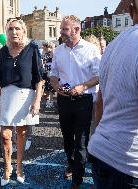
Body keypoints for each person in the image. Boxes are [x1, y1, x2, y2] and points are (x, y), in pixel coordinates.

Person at [0, 18, 45, 186]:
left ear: (24, 31)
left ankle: (19, 167)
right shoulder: (3, 51)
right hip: (6, 94)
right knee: (5, 135)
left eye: (17, 29)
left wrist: (37, 101)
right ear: (7, 32)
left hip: (25, 96)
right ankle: (7, 167)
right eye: (11, 29)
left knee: (21, 134)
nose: (14, 32)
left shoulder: (32, 49)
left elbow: (39, 78)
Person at [88, 0, 138, 188]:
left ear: (131, 10)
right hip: (129, 163)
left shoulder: (114, 44)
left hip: (104, 153)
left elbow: (101, 101)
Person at [50, 15, 101, 189]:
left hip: (83, 100)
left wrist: (82, 87)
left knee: (81, 141)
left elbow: (98, 76)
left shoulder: (91, 49)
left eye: (65, 29)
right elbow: (53, 75)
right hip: (64, 101)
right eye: (62, 28)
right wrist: (57, 88)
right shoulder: (58, 50)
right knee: (67, 138)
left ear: (77, 29)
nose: (61, 32)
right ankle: (71, 164)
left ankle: (77, 179)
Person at [42, 41, 56, 108]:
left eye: (44, 47)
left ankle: (51, 102)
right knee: (47, 88)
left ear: (49, 47)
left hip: (52, 74)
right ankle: (48, 101)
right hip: (47, 73)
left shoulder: (53, 53)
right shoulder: (46, 54)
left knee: (51, 89)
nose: (43, 48)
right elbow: (44, 62)